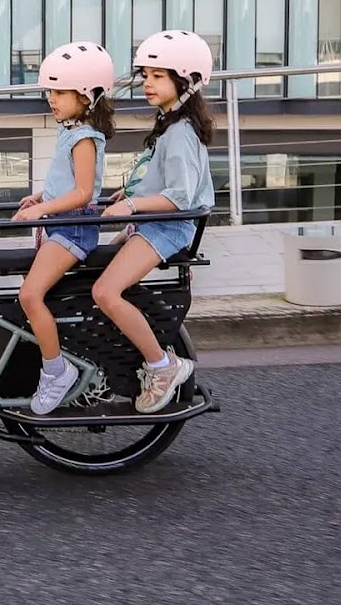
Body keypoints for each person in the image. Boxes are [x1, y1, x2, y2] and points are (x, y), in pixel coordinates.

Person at [93, 30, 217, 414]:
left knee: (105, 292)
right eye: (145, 75)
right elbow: (159, 180)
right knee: (91, 272)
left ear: (187, 82)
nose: (147, 83)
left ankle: (164, 366)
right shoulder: (169, 127)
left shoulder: (181, 133)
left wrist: (132, 207)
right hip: (155, 224)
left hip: (166, 228)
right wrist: (128, 195)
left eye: (157, 76)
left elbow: (179, 196)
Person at [11, 41, 117, 414]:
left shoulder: (85, 137)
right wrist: (41, 198)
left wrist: (42, 212)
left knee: (29, 296)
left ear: (87, 95)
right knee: (32, 295)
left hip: (73, 229)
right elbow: (66, 182)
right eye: (49, 92)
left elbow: (84, 192)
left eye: (59, 92)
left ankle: (57, 371)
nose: (51, 99)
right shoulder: (71, 129)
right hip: (61, 222)